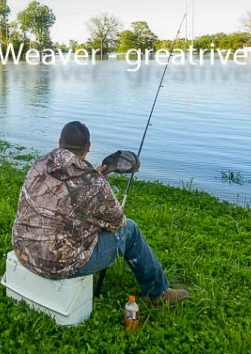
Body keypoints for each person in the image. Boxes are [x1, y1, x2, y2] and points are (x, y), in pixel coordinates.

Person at [11, 121, 189, 306]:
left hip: (23, 250)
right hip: (58, 265)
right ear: (88, 147)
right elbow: (118, 223)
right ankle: (158, 292)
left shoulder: (39, 165)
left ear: (59, 142)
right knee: (130, 229)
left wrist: (93, 177)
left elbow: (64, 189)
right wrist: (98, 183)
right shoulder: (94, 184)